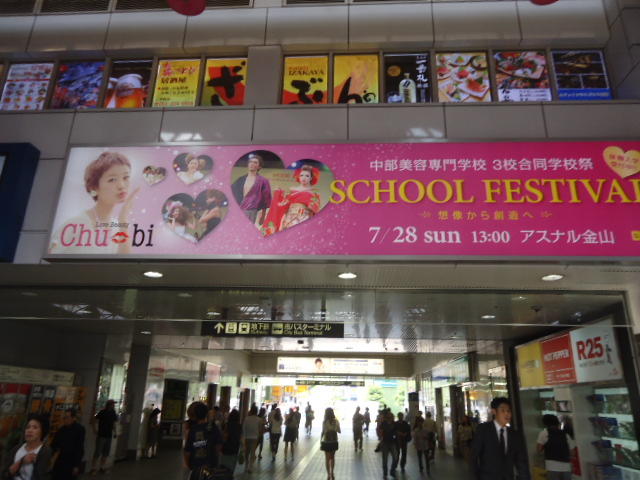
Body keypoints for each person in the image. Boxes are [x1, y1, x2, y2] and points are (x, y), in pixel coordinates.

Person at [49, 151, 139, 254]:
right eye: (112, 180)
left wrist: (123, 219)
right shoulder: (76, 225)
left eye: (126, 177)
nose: (121, 185)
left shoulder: (118, 227)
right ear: (94, 187)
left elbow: (124, 262)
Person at [470, 397, 530, 480]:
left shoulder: (515, 435)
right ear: (494, 412)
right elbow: (474, 457)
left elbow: (522, 462)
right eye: (503, 411)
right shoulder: (483, 430)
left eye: (508, 411)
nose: (507, 414)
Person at [261, 165, 321, 236]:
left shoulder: (314, 192)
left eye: (307, 176)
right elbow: (284, 202)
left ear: (311, 178)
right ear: (298, 176)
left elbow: (315, 210)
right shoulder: (292, 190)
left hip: (304, 217)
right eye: (301, 175)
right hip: (289, 217)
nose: (304, 178)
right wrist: (278, 193)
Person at [2, 415, 52, 480]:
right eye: (28, 427)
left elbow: (42, 476)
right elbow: (5, 474)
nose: (29, 430)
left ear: (42, 432)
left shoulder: (44, 451)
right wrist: (21, 461)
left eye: (35, 427)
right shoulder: (17, 448)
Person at [183, 402, 222, 480]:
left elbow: (187, 452)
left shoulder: (193, 430)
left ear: (195, 415)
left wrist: (189, 466)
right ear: (206, 414)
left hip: (196, 467)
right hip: (211, 466)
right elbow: (219, 447)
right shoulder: (214, 427)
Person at [231, 153, 272, 225]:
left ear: (259, 166)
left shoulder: (263, 181)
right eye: (250, 162)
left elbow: (266, 199)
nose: (252, 164)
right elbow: (232, 193)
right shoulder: (240, 179)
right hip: (238, 210)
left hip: (251, 211)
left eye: (255, 162)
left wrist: (263, 216)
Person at [537, 414, 576, 480]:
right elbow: (572, 452)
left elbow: (539, 449)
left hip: (552, 466)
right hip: (566, 467)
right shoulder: (565, 434)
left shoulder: (544, 433)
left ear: (545, 423)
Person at [51, 409, 85, 480]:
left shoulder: (79, 430)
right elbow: (54, 444)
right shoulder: (61, 429)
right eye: (64, 417)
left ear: (73, 418)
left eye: (67, 417)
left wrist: (76, 465)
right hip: (60, 460)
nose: (65, 420)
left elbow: (79, 448)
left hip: (71, 462)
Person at [89, 399, 118, 475]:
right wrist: (94, 429)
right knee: (97, 452)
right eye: (112, 404)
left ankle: (102, 467)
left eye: (113, 404)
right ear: (109, 405)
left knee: (105, 453)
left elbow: (114, 423)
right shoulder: (102, 412)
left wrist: (115, 432)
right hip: (101, 435)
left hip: (109, 435)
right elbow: (94, 420)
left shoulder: (113, 413)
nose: (113, 405)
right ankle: (93, 468)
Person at [377, 409, 399, 478]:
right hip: (385, 443)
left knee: (395, 457)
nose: (391, 417)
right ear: (387, 417)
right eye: (389, 416)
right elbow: (380, 430)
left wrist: (396, 437)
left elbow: (396, 432)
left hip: (392, 443)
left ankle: (392, 471)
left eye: (391, 416)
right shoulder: (383, 423)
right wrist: (380, 438)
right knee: (385, 459)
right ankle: (385, 473)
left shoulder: (394, 423)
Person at [320, 408, 341, 480]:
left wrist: (320, 440)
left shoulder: (324, 422)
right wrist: (334, 428)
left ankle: (328, 475)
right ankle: (332, 472)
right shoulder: (336, 421)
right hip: (334, 441)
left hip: (326, 442)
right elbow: (339, 431)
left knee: (327, 459)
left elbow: (323, 432)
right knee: (332, 458)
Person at [219, 409, 241, 474]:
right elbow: (240, 438)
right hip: (235, 448)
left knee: (224, 466)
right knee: (232, 467)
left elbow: (225, 437)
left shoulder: (227, 425)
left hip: (226, 448)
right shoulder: (239, 426)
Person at [242, 405, 261, 473]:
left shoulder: (246, 418)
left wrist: (243, 437)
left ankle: (246, 465)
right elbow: (259, 429)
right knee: (253, 452)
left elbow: (243, 428)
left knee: (247, 452)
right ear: (256, 411)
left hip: (247, 437)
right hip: (255, 437)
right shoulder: (259, 419)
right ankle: (250, 467)